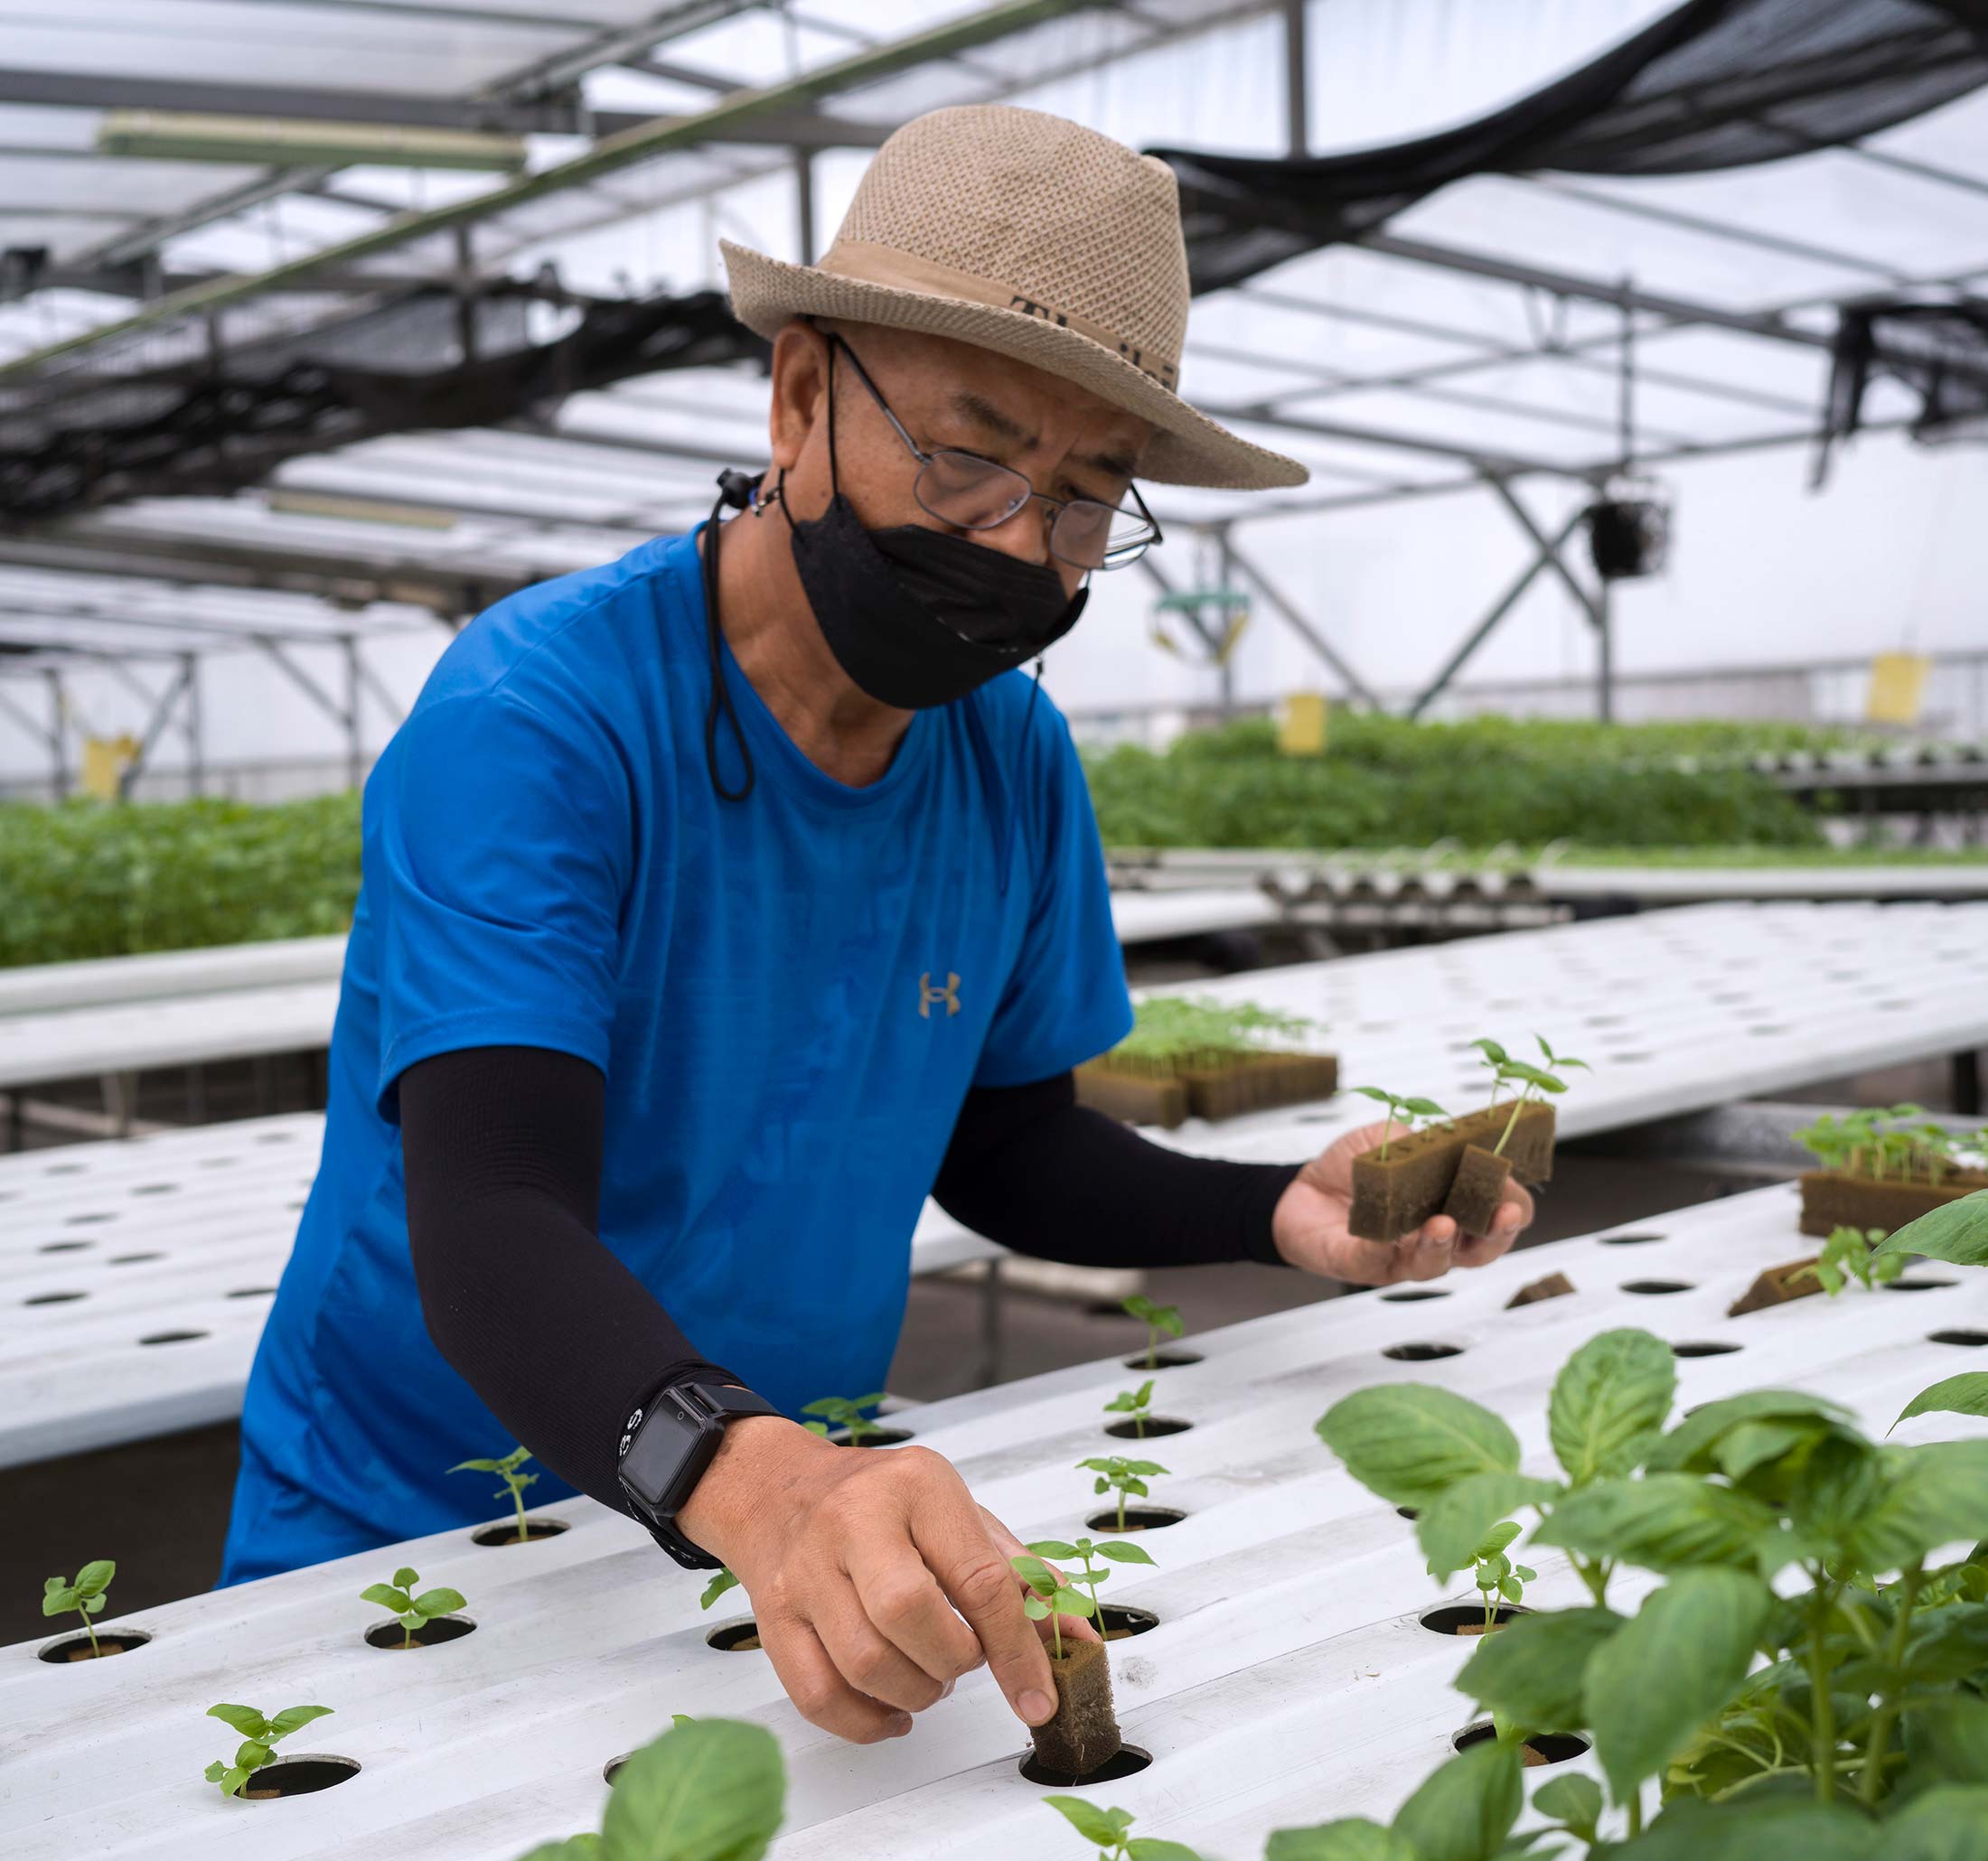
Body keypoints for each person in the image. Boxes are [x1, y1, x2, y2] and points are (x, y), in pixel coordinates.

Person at [221, 104, 1532, 1746]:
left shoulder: (1011, 758)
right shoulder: (543, 714)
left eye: (1080, 504)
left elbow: (1008, 1151)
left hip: (789, 1533)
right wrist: (756, 1480)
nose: (1014, 543)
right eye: (969, 455)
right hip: (420, 1549)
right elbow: (489, 1218)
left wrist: (1278, 1210)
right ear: (799, 399)